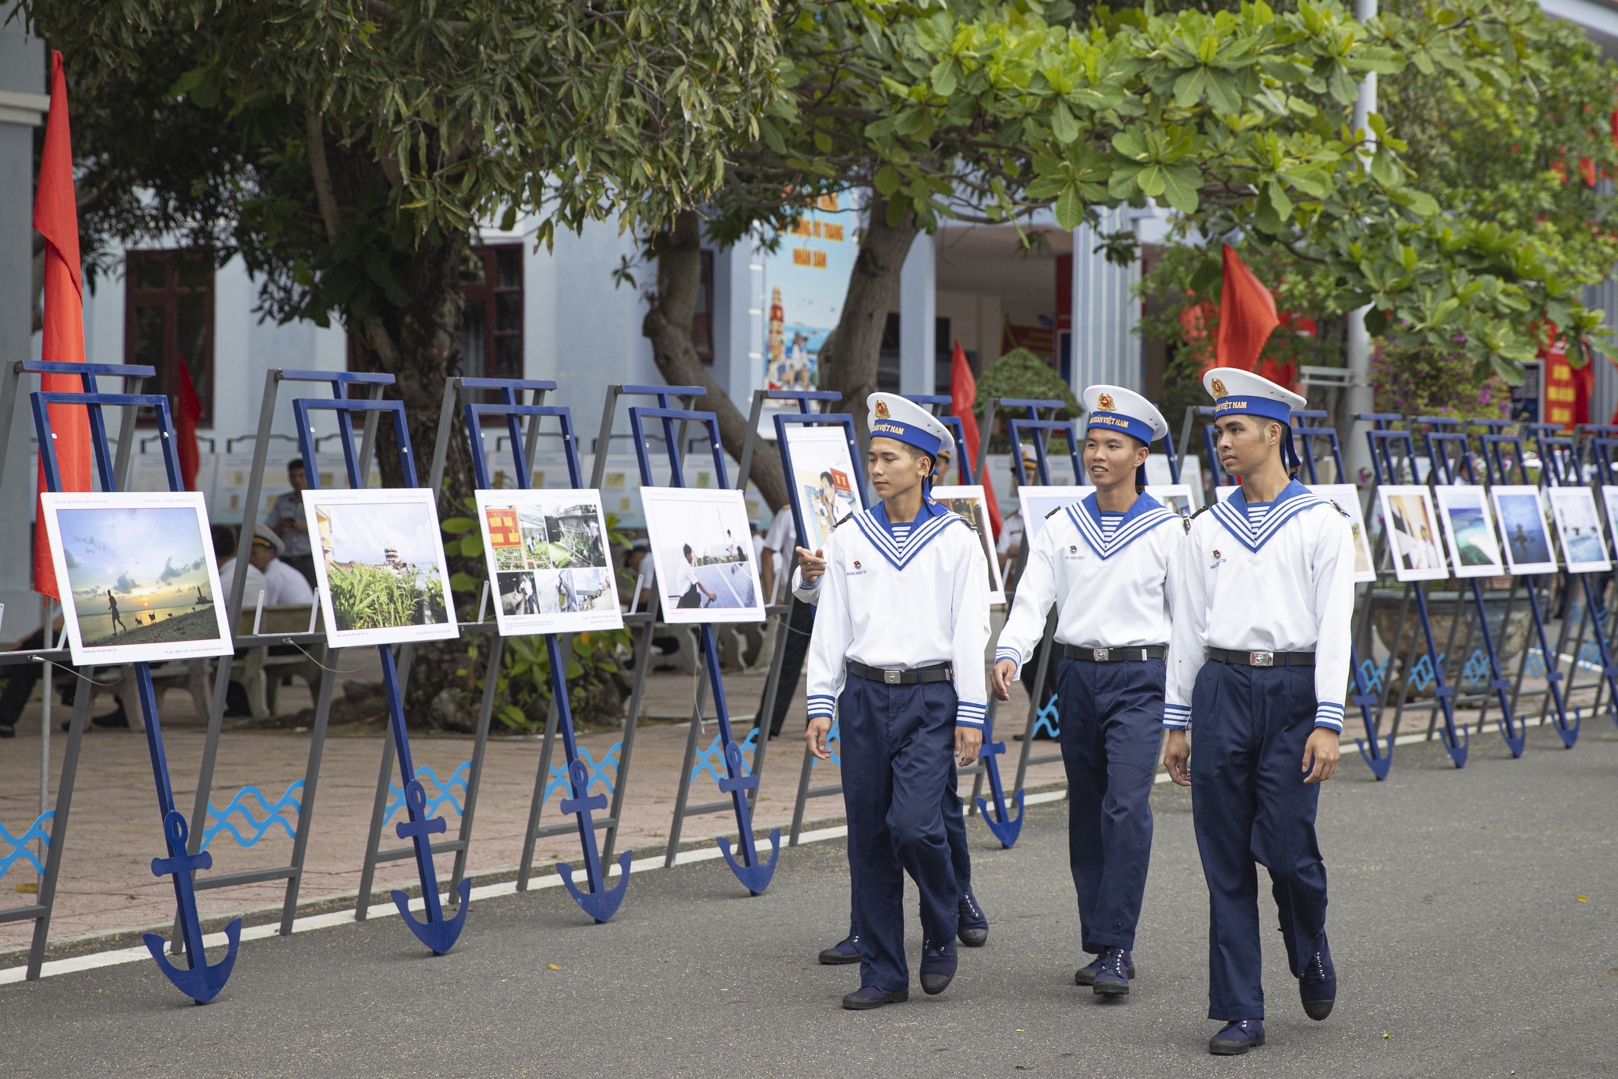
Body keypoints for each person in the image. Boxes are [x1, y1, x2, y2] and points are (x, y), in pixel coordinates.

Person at [1163, 368, 1353, 1056]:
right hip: (1220, 689)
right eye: (1218, 431)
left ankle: (1309, 936)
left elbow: (1336, 626)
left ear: (1275, 432)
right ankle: (1240, 1006)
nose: (1224, 442)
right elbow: (1186, 624)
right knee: (1225, 859)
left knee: (1289, 850)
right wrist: (1177, 721)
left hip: (1294, 696)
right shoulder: (1204, 525)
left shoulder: (1322, 523)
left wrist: (1328, 720)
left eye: (1235, 429)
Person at [991, 385, 1183, 998]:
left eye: (1113, 445)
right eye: (1092, 444)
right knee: (1089, 810)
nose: (1098, 454)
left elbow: (1187, 622)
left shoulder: (1169, 531)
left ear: (1141, 455)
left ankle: (1119, 946)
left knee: (1126, 806)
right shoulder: (1061, 525)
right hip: (1076, 677)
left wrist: (1186, 709)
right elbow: (1031, 599)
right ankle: (1101, 941)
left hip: (1140, 680)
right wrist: (1010, 652)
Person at [804, 392, 991, 1010]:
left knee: (914, 826)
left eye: (890, 458)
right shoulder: (850, 535)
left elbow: (970, 630)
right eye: (872, 457)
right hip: (862, 697)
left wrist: (971, 710)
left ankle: (941, 923)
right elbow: (832, 623)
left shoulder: (956, 541)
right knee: (869, 839)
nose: (876, 469)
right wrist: (820, 702)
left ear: (925, 465)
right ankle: (883, 973)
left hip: (930, 699)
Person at [267, 459, 317, 589]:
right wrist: (281, 524)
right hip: (286, 559)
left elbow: (331, 529)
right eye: (293, 476)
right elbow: (270, 532)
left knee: (314, 596)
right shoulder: (283, 501)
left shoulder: (317, 499)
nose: (297, 480)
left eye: (301, 475)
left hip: (309, 559)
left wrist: (307, 527)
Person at [244, 524, 315, 606]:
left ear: (270, 553)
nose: (251, 559)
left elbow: (265, 610)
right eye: (249, 555)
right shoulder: (281, 570)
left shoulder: (272, 577)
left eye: (254, 553)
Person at [670, 544, 717, 609]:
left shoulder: (683, 562)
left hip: (682, 594)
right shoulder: (686, 567)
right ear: (687, 554)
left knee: (693, 582)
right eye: (691, 555)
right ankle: (688, 607)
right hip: (684, 598)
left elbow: (694, 575)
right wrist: (709, 595)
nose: (692, 557)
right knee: (698, 596)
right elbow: (699, 583)